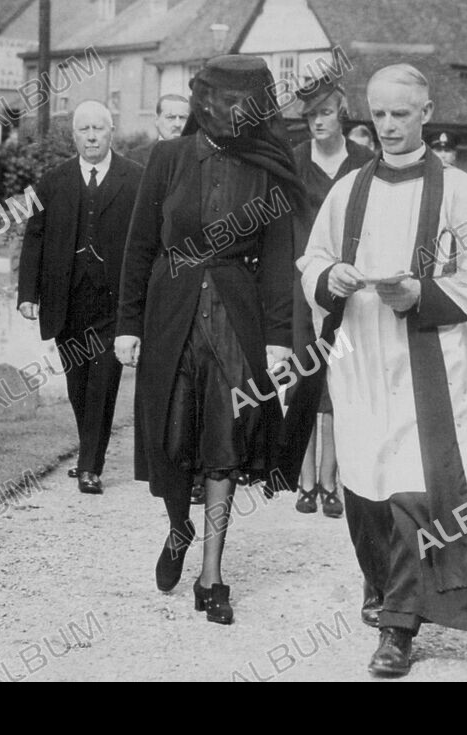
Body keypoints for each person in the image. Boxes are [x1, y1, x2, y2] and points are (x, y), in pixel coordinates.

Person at [297, 64, 467, 677]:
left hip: (434, 362)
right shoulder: (349, 190)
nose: (388, 126)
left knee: (414, 491)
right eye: (379, 114)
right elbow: (313, 259)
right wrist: (330, 278)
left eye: (401, 114)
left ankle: (398, 629)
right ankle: (381, 584)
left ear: (426, 113)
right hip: (362, 359)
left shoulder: (461, 193)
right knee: (366, 491)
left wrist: (424, 293)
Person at [115, 55, 303, 625]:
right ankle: (179, 527)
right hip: (170, 314)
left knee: (225, 443)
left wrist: (278, 338)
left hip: (234, 321)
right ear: (206, 102)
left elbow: (278, 262)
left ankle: (211, 574)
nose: (234, 113)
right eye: (226, 101)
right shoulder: (168, 158)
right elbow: (139, 245)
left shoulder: (269, 170)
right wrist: (127, 324)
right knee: (171, 440)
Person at [18, 100, 142, 495]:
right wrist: (28, 293)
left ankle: (90, 464)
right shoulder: (52, 182)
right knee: (77, 384)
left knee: (103, 382)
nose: (91, 137)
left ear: (111, 132)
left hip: (113, 302)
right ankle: (89, 448)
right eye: (84, 130)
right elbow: (34, 237)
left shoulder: (135, 179)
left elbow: (146, 242)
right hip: (67, 301)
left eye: (98, 129)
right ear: (74, 136)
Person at [291, 79, 373, 521]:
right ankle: (305, 482)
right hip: (301, 284)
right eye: (310, 115)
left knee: (341, 380)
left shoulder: (364, 162)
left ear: (341, 113)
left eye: (324, 113)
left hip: (348, 285)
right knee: (303, 378)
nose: (317, 122)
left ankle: (330, 481)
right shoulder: (293, 161)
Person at [127, 94, 190, 166]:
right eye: (171, 117)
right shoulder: (135, 157)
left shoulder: (197, 156)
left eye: (182, 118)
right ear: (157, 120)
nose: (177, 124)